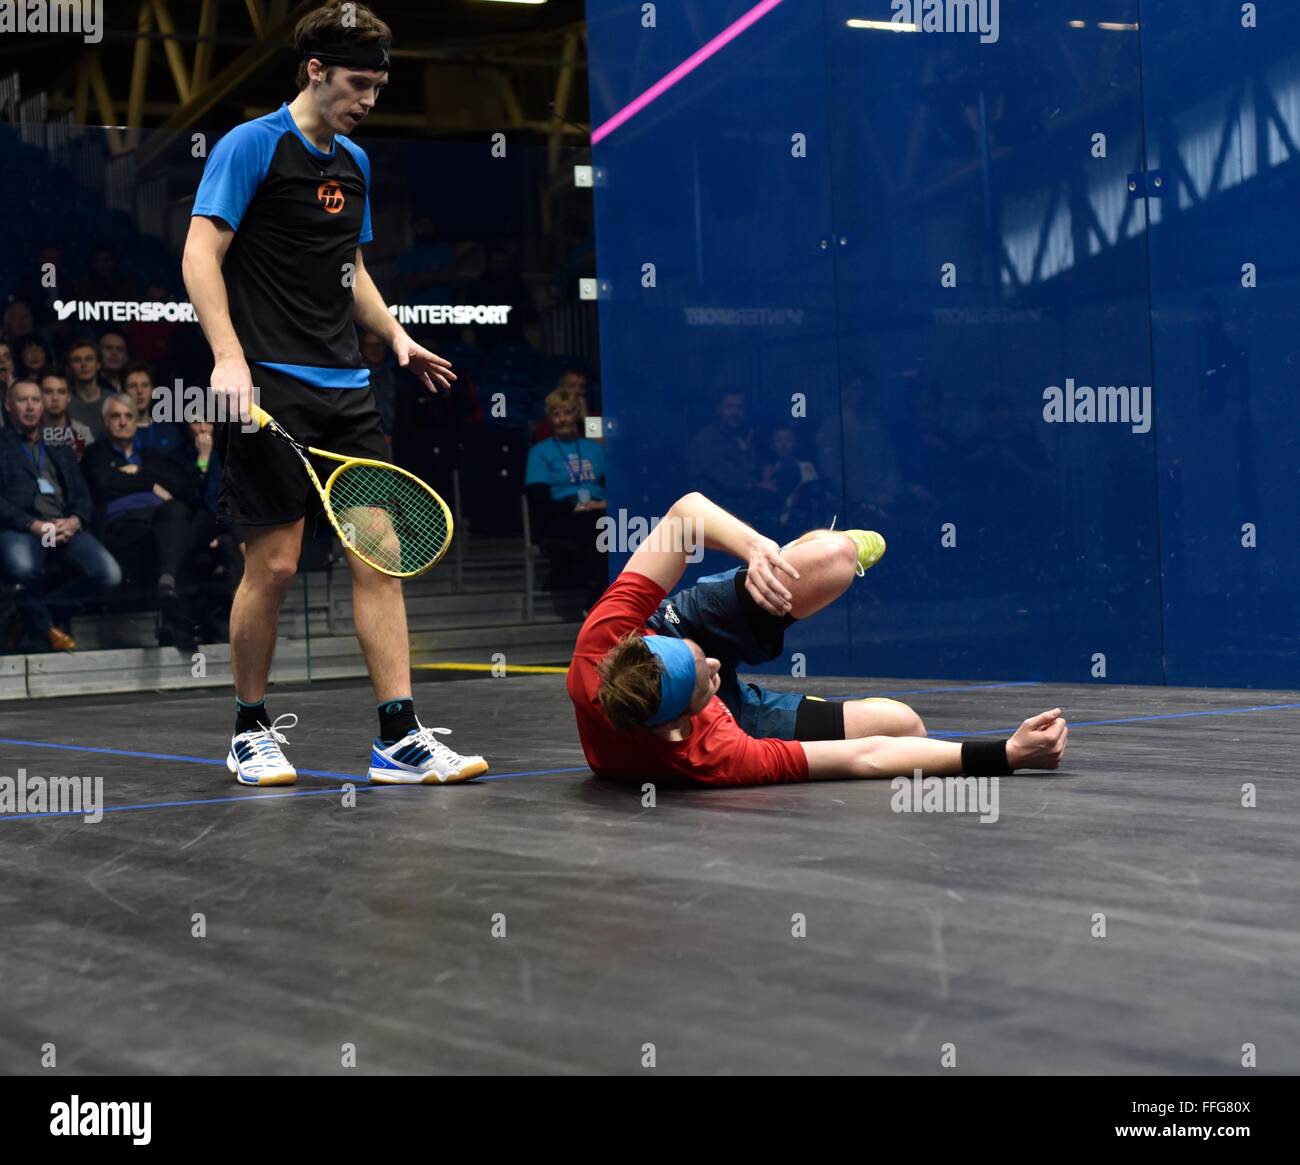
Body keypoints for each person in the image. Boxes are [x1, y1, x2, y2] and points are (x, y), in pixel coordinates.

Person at [182, 0, 484, 786]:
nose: (370, 100)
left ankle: (399, 735)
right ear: (315, 71)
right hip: (266, 384)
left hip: (349, 386)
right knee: (274, 566)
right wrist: (226, 358)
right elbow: (199, 255)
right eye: (358, 84)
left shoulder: (355, 163)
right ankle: (249, 730)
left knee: (378, 558)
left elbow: (352, 270)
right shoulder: (252, 146)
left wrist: (398, 334)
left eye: (379, 86)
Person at [567, 491, 1068, 785]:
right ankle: (802, 553)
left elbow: (685, 514)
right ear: (679, 726)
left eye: (702, 658)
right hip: (729, 719)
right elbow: (866, 756)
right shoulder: (713, 753)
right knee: (904, 726)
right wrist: (1006, 755)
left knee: (833, 560)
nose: (716, 665)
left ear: (640, 643)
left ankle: (812, 547)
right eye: (707, 679)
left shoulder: (606, 636)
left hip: (678, 624)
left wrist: (758, 549)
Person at [0, 378, 120, 652]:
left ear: (42, 406)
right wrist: (32, 525)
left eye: (35, 400)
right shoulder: (3, 444)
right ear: (8, 405)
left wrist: (75, 520)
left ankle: (33, 613)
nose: (30, 407)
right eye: (22, 400)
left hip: (64, 526)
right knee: (23, 568)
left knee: (109, 574)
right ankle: (45, 628)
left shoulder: (57, 443)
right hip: (23, 527)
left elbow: (81, 493)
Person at [82, 394, 202, 650]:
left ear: (136, 422)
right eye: (116, 416)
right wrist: (150, 483)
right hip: (122, 526)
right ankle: (177, 621)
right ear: (105, 422)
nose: (123, 422)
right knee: (174, 538)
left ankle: (167, 586)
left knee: (176, 513)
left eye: (128, 416)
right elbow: (104, 486)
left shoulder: (150, 456)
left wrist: (137, 475)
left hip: (157, 522)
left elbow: (181, 486)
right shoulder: (95, 454)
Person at [524, 387, 607, 611]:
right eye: (556, 414)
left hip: (599, 511)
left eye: (567, 413)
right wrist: (575, 507)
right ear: (549, 418)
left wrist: (601, 504)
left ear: (576, 415)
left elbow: (611, 484)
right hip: (562, 514)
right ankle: (598, 592)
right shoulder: (540, 451)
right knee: (593, 525)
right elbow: (539, 500)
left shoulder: (594, 448)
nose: (562, 420)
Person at [64, 339, 112, 437]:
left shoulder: (114, 400)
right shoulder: (63, 402)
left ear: (98, 364)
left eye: (89, 359)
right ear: (69, 367)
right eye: (77, 360)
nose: (83, 365)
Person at [40, 372, 94, 460]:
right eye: (48, 392)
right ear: (40, 396)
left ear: (68, 397)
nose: (55, 398)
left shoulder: (81, 431)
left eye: (61, 392)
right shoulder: (31, 431)